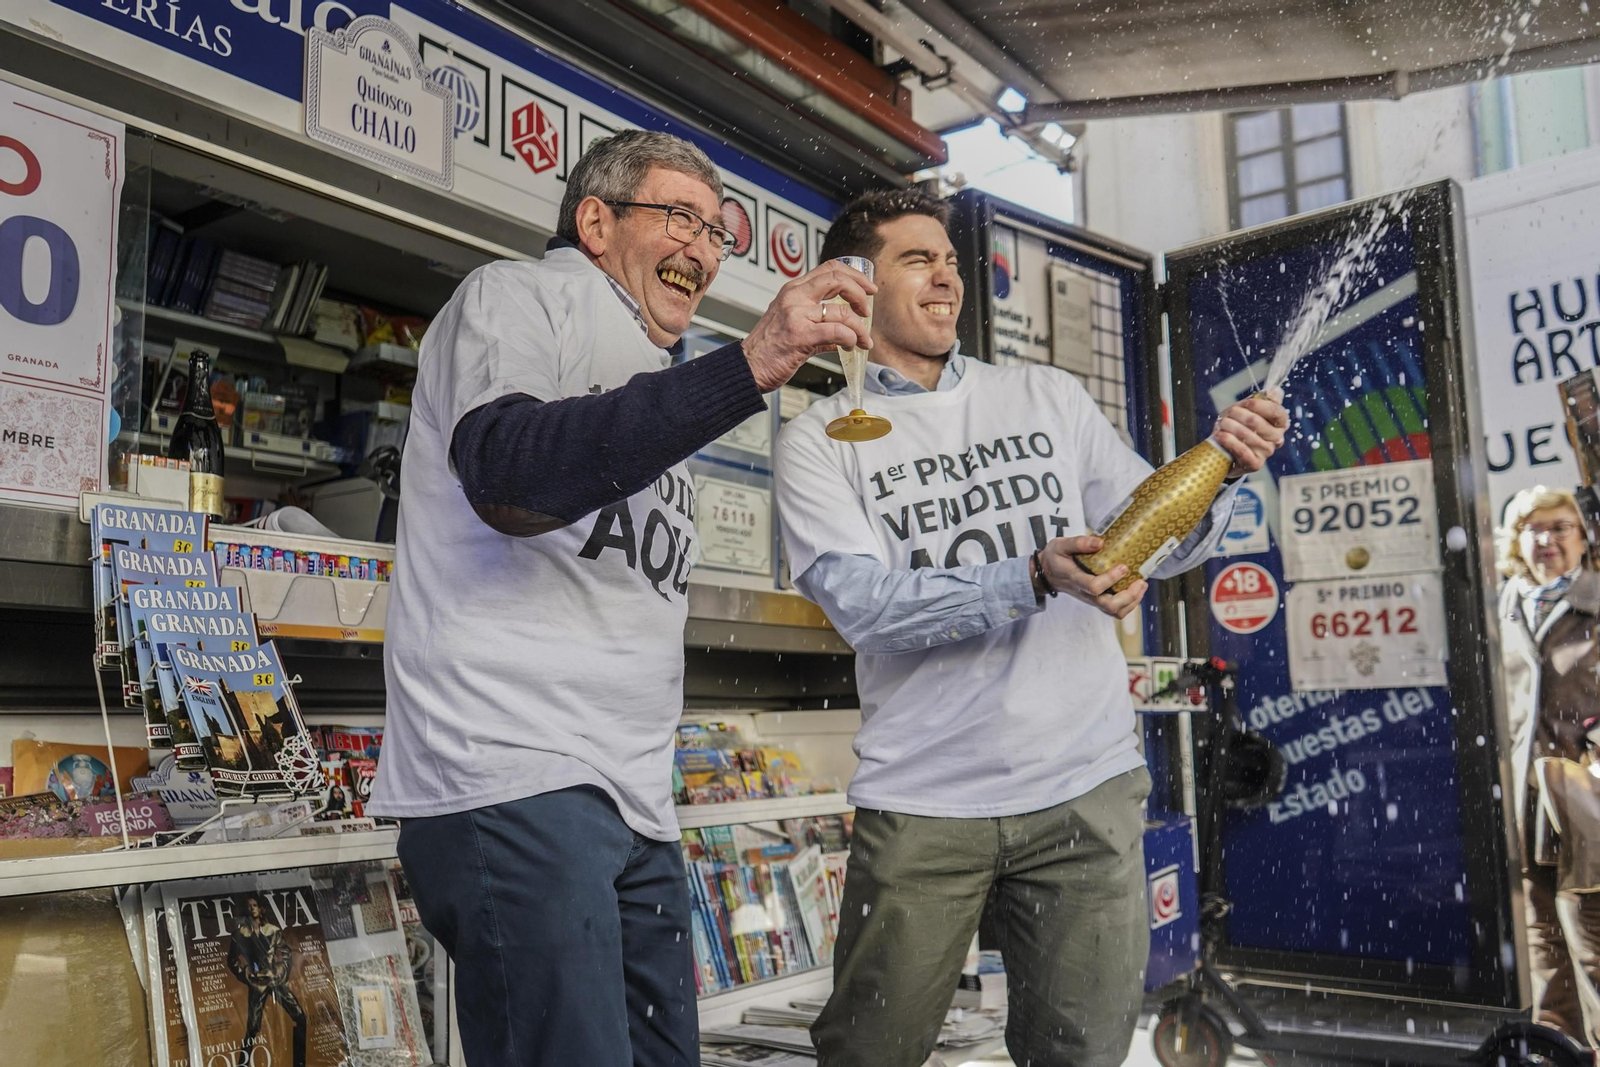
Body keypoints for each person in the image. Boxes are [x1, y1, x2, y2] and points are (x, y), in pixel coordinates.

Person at [365, 130, 875, 1067]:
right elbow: (509, 473)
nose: (703, 249)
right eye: (680, 217)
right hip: (511, 771)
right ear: (596, 222)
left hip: (637, 797)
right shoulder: (514, 294)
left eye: (717, 233)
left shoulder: (663, 374)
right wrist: (752, 361)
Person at [773, 189, 1288, 1067]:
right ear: (856, 283)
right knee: (869, 1050)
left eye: (949, 260)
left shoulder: (1044, 394)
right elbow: (865, 605)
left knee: (1080, 1052)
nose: (946, 277)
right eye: (917, 260)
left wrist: (1222, 469)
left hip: (1084, 785)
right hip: (925, 799)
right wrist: (1029, 576)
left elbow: (1152, 541)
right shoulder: (820, 439)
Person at [1497, 486, 1600, 1046]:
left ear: (1583, 538)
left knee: (1592, 935)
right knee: (1541, 932)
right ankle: (1559, 1047)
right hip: (1525, 791)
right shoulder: (1504, 604)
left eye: (1560, 527)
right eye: (1532, 529)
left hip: (1586, 791)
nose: (1546, 540)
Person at [227, 893, 307, 1067]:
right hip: (257, 984)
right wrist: (246, 972)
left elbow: (286, 954)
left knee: (300, 1017)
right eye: (249, 906)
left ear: (261, 908)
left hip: (275, 981)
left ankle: (299, 1063)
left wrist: (281, 969)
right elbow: (232, 960)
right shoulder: (239, 934)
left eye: (254, 905)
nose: (251, 909)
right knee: (252, 1029)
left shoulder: (273, 930)